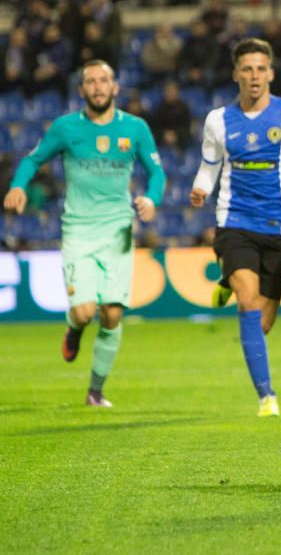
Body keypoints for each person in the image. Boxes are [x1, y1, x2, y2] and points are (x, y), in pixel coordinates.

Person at [3, 60, 165, 407]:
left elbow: (157, 173)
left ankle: (95, 391)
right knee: (84, 312)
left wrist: (151, 199)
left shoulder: (135, 128)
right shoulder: (65, 128)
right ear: (82, 90)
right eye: (90, 81)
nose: (97, 86)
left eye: (104, 80)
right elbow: (33, 159)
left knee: (112, 314)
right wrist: (18, 186)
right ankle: (74, 330)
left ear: (115, 87)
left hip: (118, 230)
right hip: (78, 230)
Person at [189, 38, 281, 418]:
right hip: (234, 221)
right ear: (236, 74)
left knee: (263, 324)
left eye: (260, 69)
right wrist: (201, 188)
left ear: (270, 73)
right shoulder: (217, 120)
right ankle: (266, 396)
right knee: (248, 302)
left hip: (280, 227)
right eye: (246, 69)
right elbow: (209, 165)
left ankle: (226, 279)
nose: (254, 76)